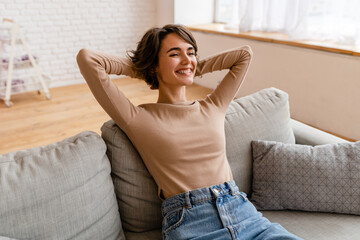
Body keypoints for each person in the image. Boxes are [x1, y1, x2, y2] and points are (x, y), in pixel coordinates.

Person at [77, 24, 301, 240]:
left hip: (243, 213)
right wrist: (145, 69)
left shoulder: (213, 106)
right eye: (174, 54)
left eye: (191, 52)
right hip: (191, 222)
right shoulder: (137, 118)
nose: (187, 59)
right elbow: (88, 59)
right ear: (155, 64)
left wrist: (189, 67)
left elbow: (244, 55)